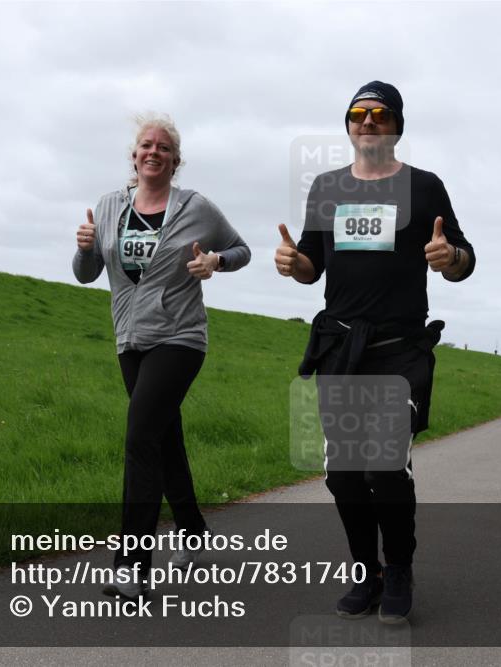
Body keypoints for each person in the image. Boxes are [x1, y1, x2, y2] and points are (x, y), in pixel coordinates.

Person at [274, 81, 475, 623]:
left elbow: (464, 257)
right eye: (358, 113)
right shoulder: (326, 188)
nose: (368, 122)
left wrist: (448, 255)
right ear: (348, 125)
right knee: (343, 474)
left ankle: (401, 567)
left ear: (396, 127)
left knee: (385, 468)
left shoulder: (424, 186)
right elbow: (313, 264)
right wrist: (297, 266)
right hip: (342, 347)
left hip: (398, 350)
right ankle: (368, 570)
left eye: (379, 114)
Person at [72, 113, 251, 598]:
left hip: (180, 338)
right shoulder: (109, 205)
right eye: (146, 145)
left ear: (175, 160)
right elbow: (87, 274)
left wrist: (216, 261)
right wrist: (85, 248)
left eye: (164, 147)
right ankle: (193, 532)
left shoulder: (196, 207)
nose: (154, 151)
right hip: (130, 338)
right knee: (163, 437)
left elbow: (241, 250)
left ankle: (132, 565)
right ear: (135, 156)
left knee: (139, 439)